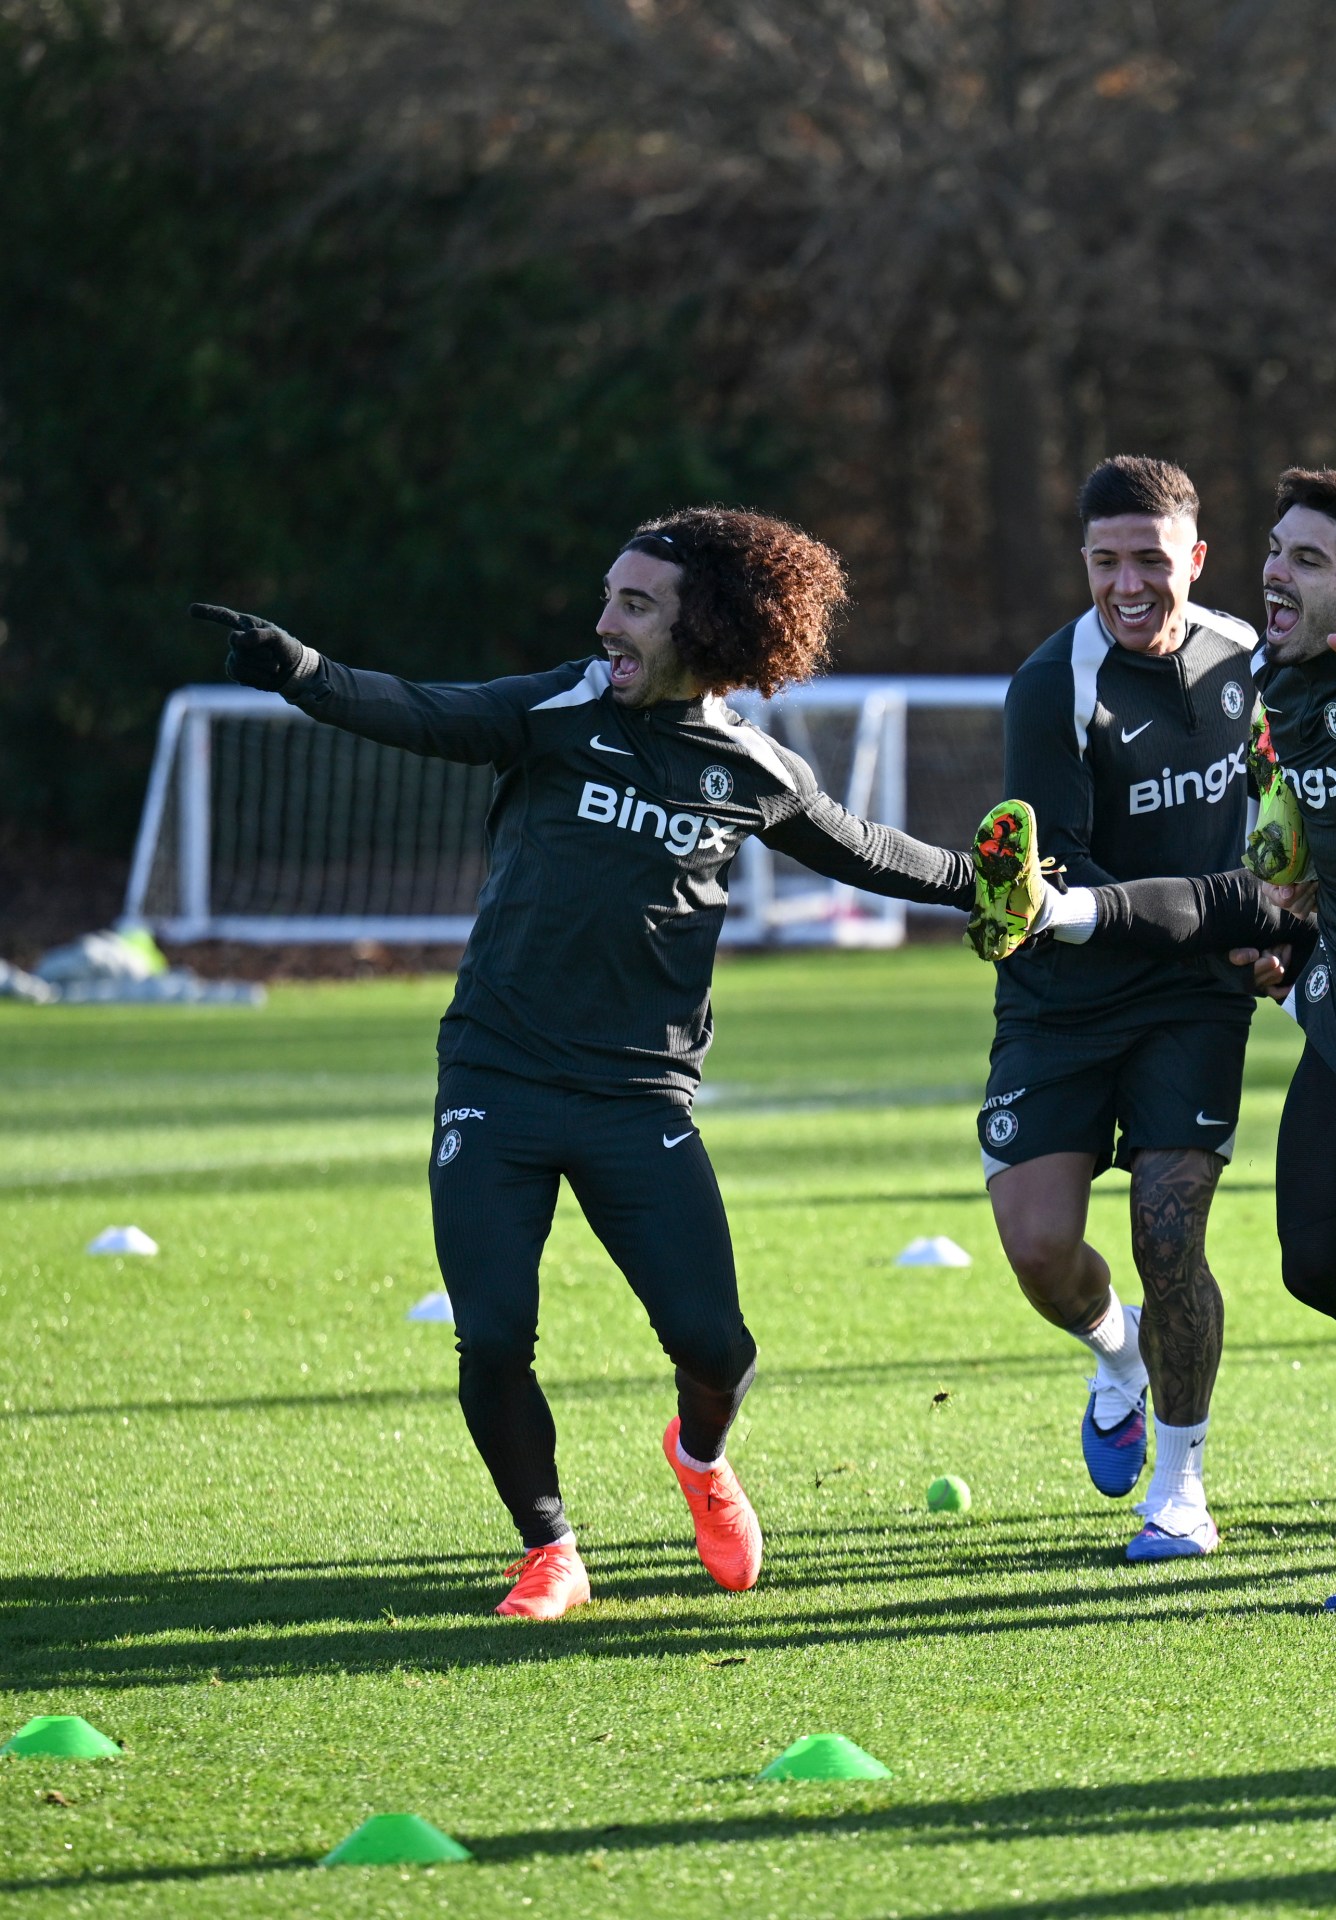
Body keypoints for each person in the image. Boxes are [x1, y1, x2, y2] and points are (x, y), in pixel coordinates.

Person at [190, 508, 981, 1619]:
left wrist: (989, 881)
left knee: (716, 1345)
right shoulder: (555, 709)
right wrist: (303, 671)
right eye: (609, 596)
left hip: (637, 1094)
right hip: (495, 1075)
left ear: (704, 623)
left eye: (635, 604)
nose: (604, 620)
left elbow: (869, 851)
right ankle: (549, 1547)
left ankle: (701, 1461)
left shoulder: (750, 766)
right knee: (496, 1329)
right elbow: (421, 711)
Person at [985, 468, 1336, 1611]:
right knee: (1313, 1262)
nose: (1274, 571)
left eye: (1304, 557)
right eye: (1276, 550)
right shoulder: (1279, 689)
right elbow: (1251, 882)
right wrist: (1071, 910)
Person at [978, 456, 1260, 1563]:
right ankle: (1117, 1357)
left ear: (1196, 557)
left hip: (1195, 998)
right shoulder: (1052, 686)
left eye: (1152, 559)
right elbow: (1064, 874)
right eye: (1106, 562)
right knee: (1044, 1252)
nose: (1129, 584)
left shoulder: (1254, 657)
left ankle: (1182, 1487)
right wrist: (1238, 908)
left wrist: (1273, 922)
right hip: (1061, 995)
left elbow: (1287, 807)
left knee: (1169, 1232)